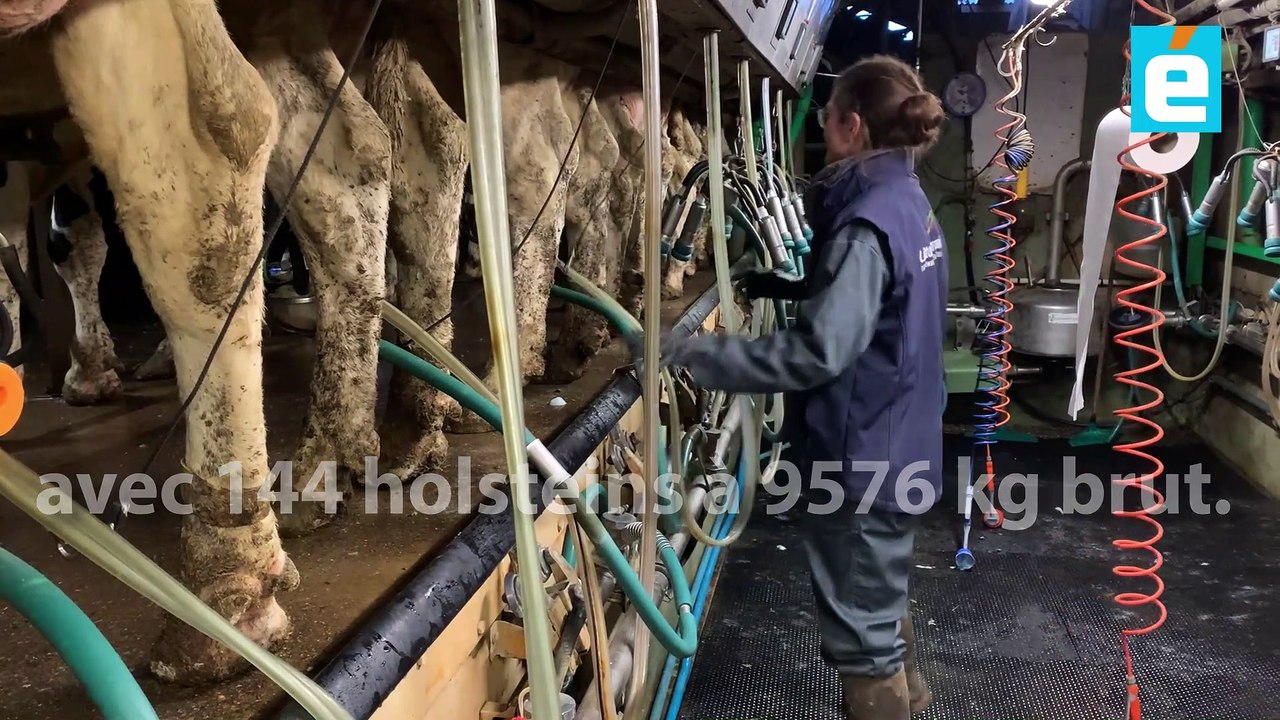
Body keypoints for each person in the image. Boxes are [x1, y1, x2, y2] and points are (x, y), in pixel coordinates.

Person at [641, 55, 948, 719]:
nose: (822, 137)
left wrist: (701, 356)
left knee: (862, 636)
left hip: (863, 460)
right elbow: (880, 304)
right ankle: (912, 701)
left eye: (829, 122)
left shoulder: (866, 222)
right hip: (903, 442)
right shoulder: (908, 201)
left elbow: (819, 352)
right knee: (881, 600)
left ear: (851, 126)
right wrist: (794, 287)